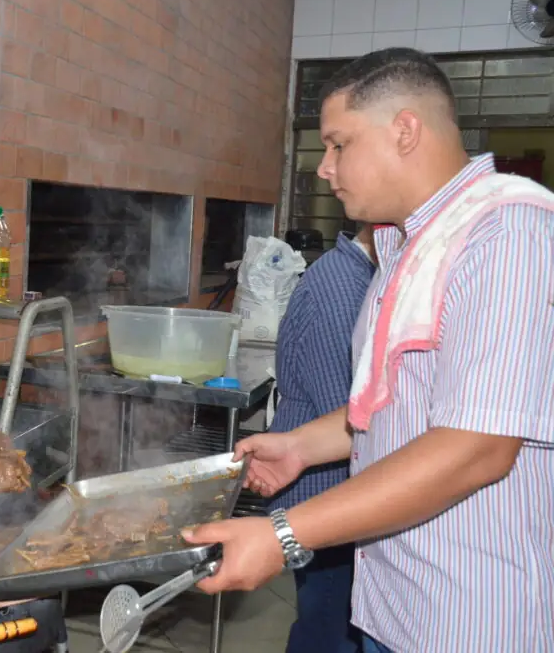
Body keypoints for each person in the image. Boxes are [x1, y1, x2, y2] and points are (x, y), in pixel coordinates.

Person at [184, 47, 554, 653]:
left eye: (339, 144)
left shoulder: (507, 235)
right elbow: (399, 406)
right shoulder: (406, 244)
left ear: (404, 130)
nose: (324, 168)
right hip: (393, 603)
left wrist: (282, 533)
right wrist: (303, 444)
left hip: (472, 615)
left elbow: (478, 446)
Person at [268, 223, 375, 653]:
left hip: (333, 485)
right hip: (325, 488)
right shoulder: (339, 289)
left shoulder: (363, 279)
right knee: (329, 630)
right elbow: (349, 413)